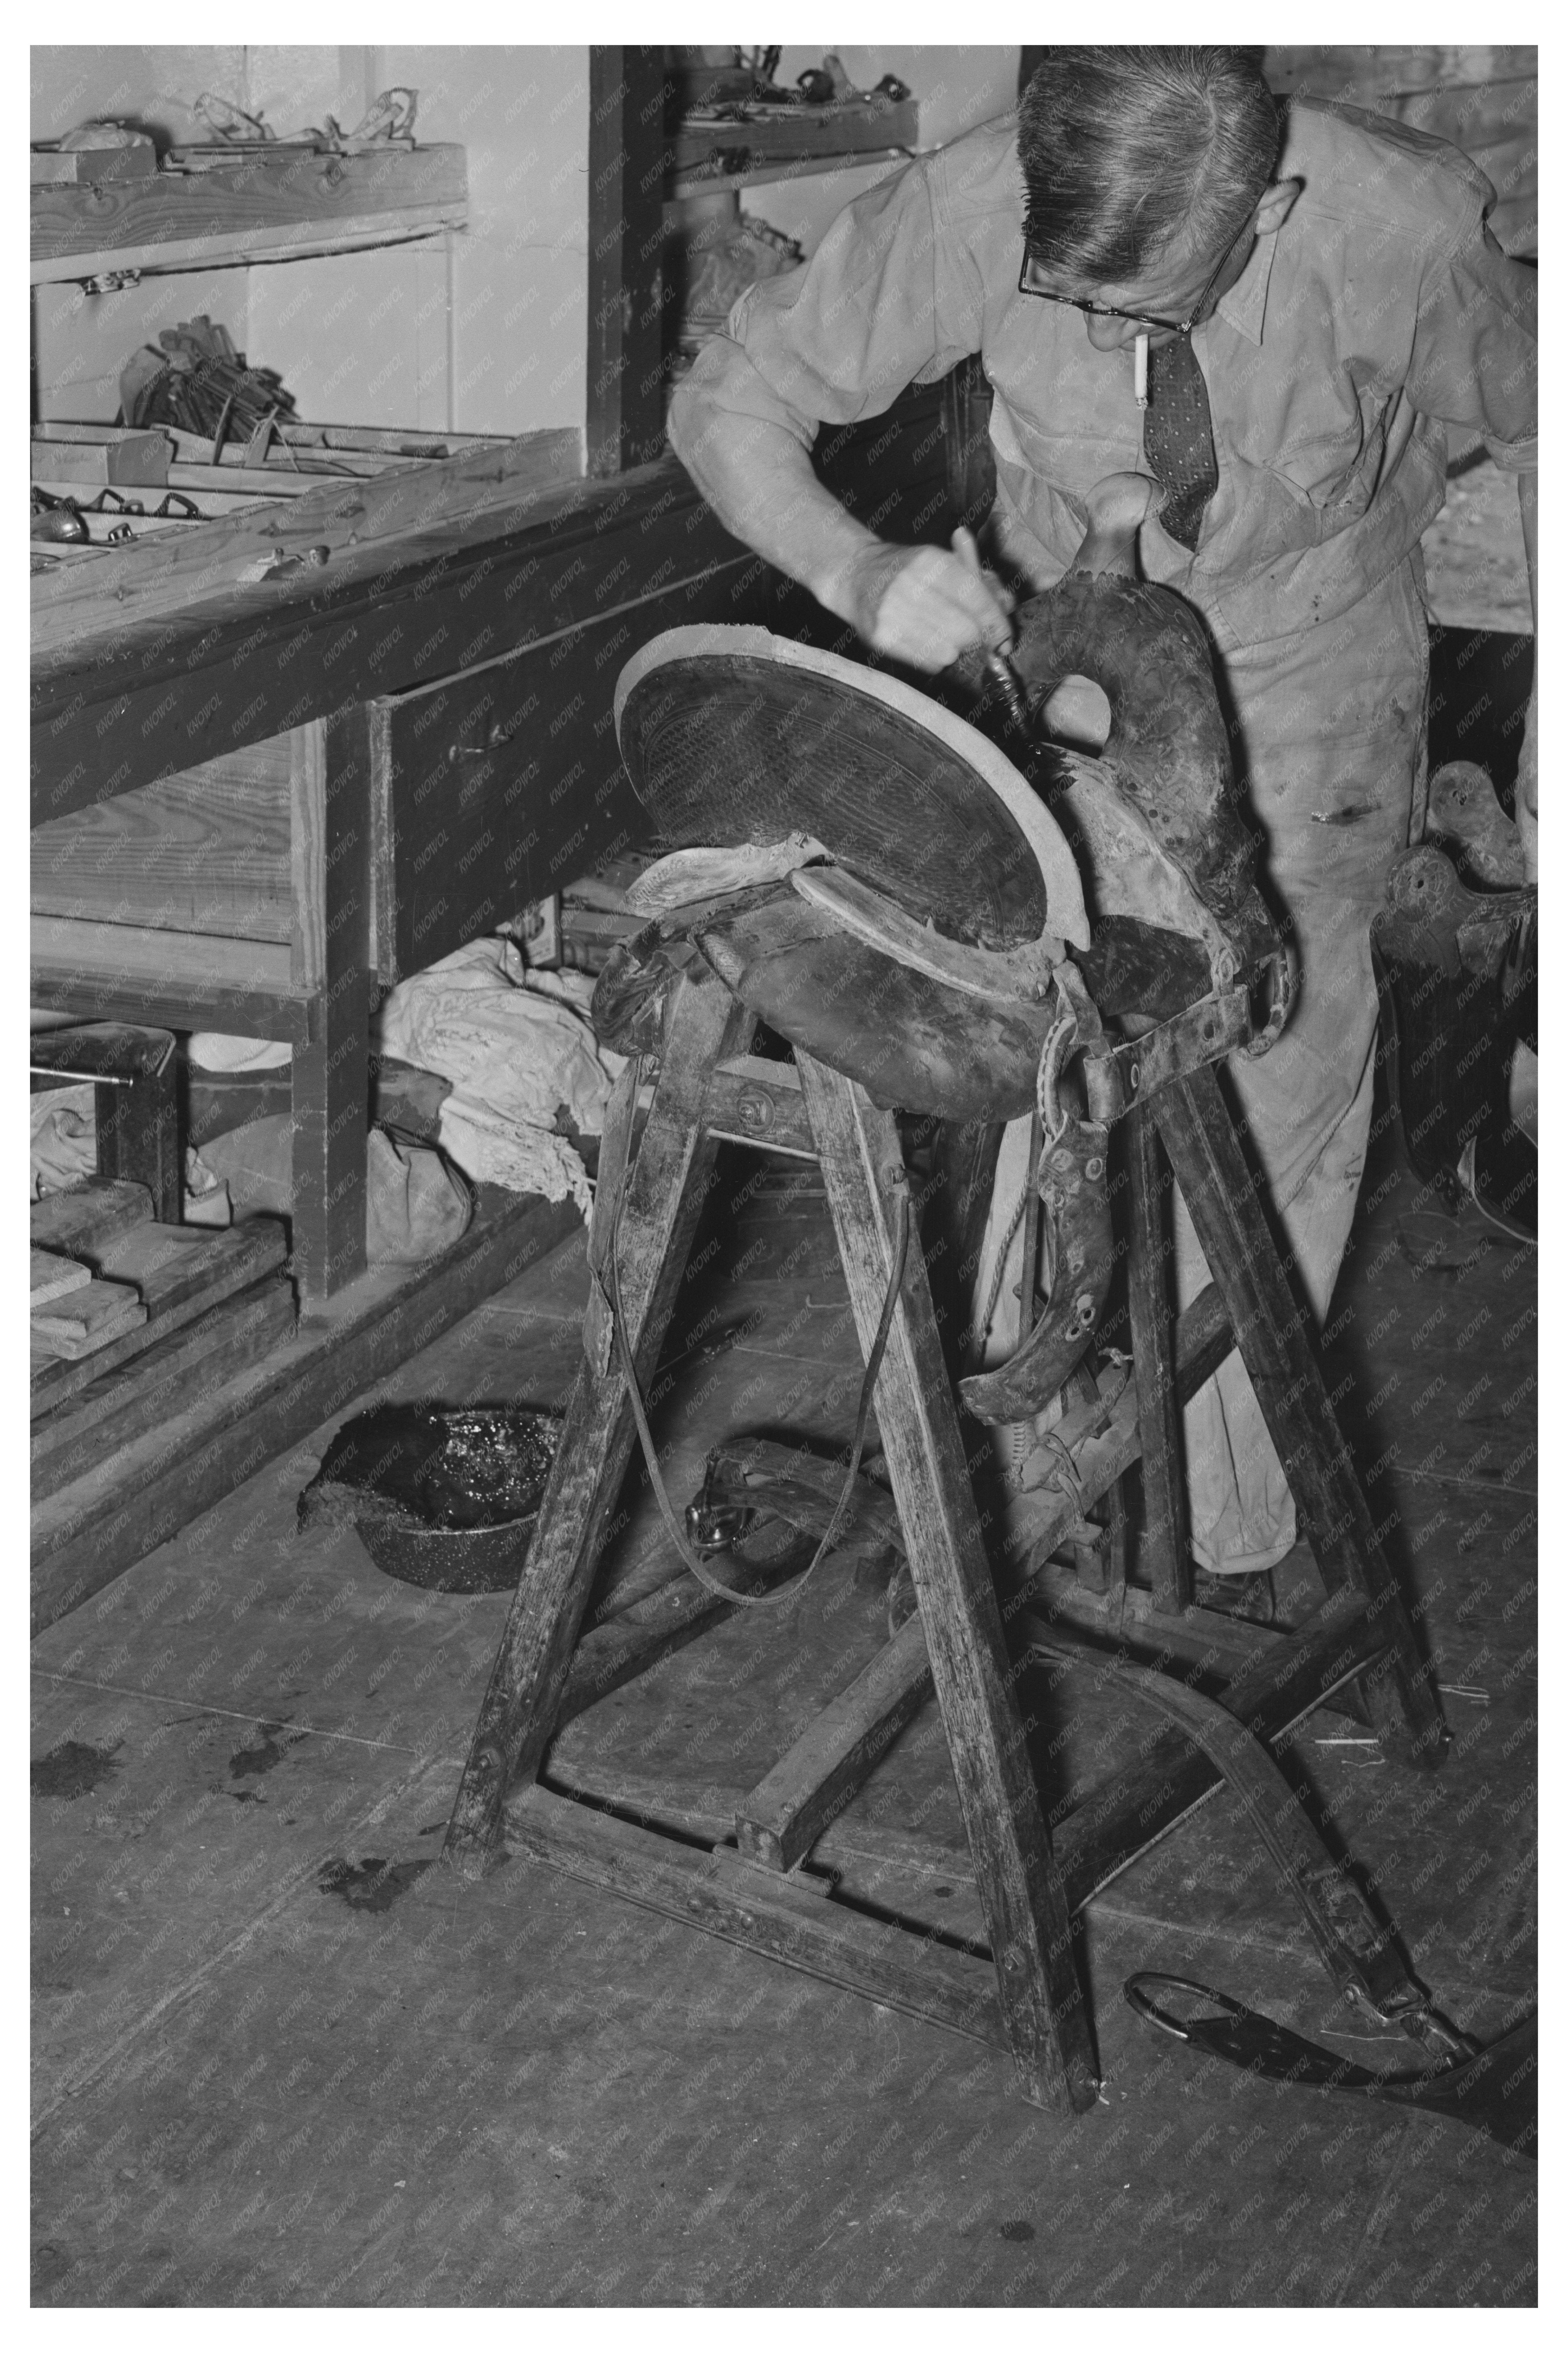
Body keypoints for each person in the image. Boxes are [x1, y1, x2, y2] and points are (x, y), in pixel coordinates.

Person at [668, 46, 1537, 1589]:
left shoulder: (1395, 225)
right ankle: (1026, 1471)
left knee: (1270, 1064)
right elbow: (730, 402)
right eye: (1071, 304)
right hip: (1075, 637)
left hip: (1307, 655)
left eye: (1149, 311)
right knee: (1053, 1038)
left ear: (1261, 213)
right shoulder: (977, 197)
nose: (1103, 341)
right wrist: (857, 572)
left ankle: (1216, 1519)